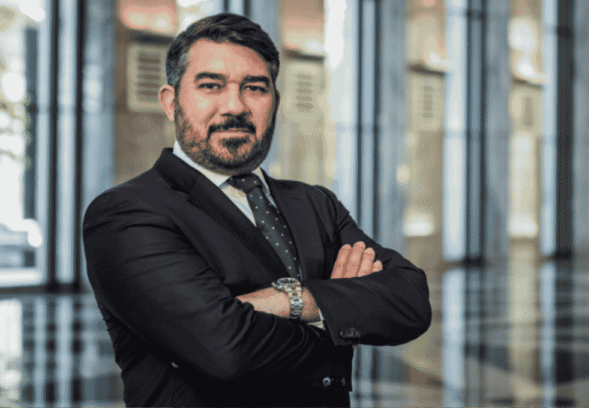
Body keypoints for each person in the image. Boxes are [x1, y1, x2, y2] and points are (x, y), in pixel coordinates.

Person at [82, 12, 431, 407]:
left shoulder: (315, 204)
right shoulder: (126, 213)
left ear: (274, 102)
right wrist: (338, 317)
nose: (235, 106)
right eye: (211, 85)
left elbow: (411, 302)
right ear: (170, 101)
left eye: (255, 88)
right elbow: (225, 349)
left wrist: (288, 300)